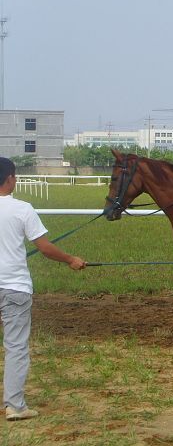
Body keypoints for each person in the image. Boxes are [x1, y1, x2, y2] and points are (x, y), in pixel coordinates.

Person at [0, 157, 86, 421]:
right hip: (14, 287)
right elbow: (45, 248)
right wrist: (71, 259)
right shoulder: (22, 209)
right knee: (15, 346)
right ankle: (14, 405)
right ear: (11, 179)